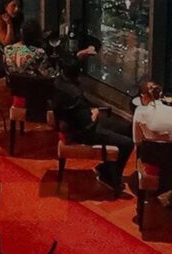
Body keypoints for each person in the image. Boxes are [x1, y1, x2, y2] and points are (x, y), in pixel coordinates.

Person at [53, 58, 134, 193]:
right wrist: (95, 113)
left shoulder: (58, 82)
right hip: (82, 132)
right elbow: (88, 125)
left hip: (75, 123)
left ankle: (106, 168)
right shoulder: (75, 95)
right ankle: (109, 176)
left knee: (126, 128)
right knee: (128, 143)